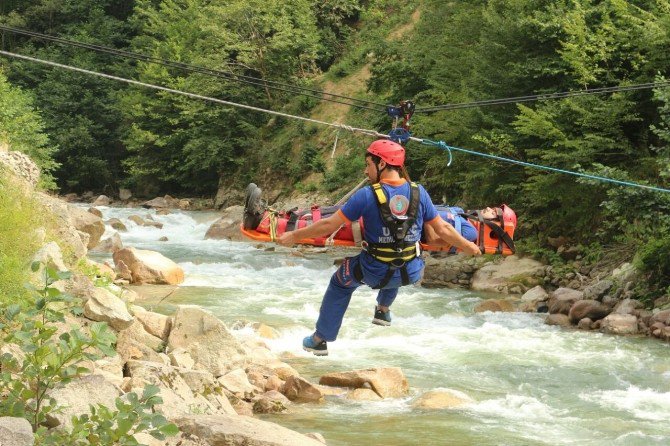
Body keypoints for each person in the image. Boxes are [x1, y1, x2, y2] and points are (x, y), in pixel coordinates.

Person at [277, 139, 481, 356]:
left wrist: (294, 236)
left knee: (340, 283)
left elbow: (328, 224)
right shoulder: (419, 193)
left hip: (373, 271)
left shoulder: (366, 195)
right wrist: (469, 246)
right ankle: (382, 311)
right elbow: (443, 230)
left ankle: (319, 340)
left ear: (382, 164)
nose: (366, 171)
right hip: (410, 273)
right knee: (399, 253)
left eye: (368, 164)